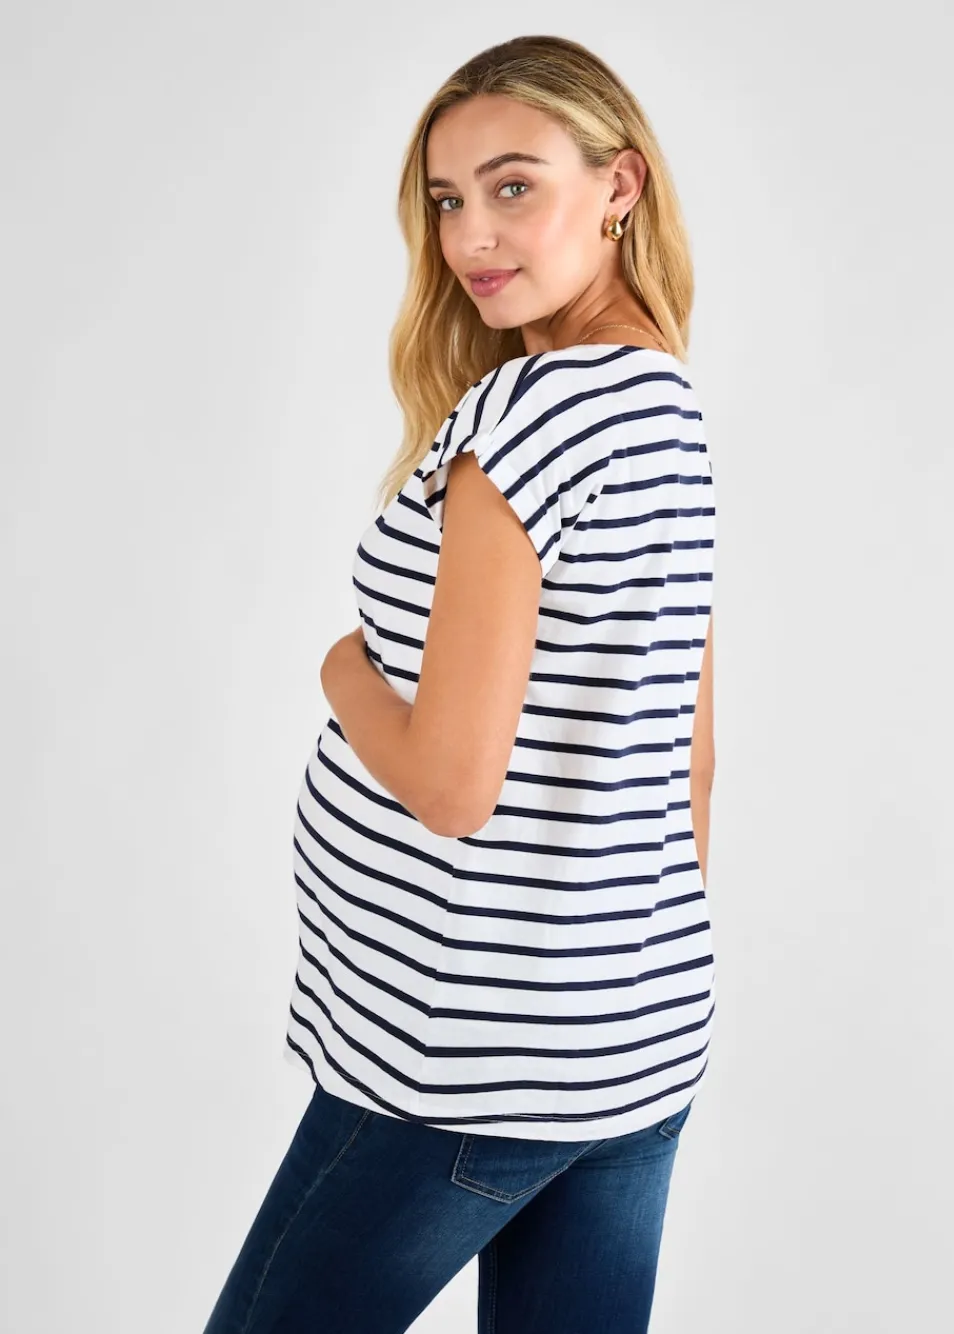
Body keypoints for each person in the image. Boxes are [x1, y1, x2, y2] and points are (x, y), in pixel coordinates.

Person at [203, 32, 716, 1334]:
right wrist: (597, 975)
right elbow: (692, 759)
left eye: (513, 186)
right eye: (446, 200)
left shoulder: (525, 420)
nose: (471, 236)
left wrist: (340, 669)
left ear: (619, 185)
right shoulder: (667, 403)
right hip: (634, 1035)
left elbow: (450, 785)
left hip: (462, 1056)